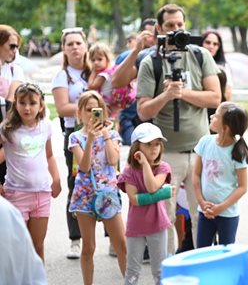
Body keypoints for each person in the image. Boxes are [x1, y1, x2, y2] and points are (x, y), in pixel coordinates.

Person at [136, 4, 221, 253]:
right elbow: (143, 111)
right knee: (165, 217)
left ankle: (203, 268)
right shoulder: (151, 61)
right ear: (159, 29)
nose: (176, 31)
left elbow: (215, 98)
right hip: (165, 153)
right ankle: (167, 271)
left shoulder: (200, 55)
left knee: (203, 214)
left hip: (201, 150)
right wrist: (166, 95)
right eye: (170, 26)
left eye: (180, 25)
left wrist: (183, 93)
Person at [68, 90, 126, 284]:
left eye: (97, 109)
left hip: (108, 194)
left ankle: (130, 281)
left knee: (122, 244)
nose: (93, 113)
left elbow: (113, 160)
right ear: (80, 112)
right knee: (88, 247)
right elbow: (83, 167)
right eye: (88, 109)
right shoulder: (75, 137)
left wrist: (105, 135)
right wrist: (91, 138)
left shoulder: (112, 134)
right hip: (85, 196)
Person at [0, 82, 62, 261]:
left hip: (41, 194)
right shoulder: (7, 129)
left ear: (41, 104)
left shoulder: (46, 126)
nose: (27, 108)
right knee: (18, 246)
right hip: (16, 194)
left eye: (32, 103)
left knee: (37, 246)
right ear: (16, 104)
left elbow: (49, 156)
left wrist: (56, 179)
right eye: (22, 103)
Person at [51, 27, 90, 259]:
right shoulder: (62, 76)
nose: (75, 47)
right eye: (70, 44)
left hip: (101, 135)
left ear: (86, 45)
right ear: (64, 49)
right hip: (74, 135)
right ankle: (75, 239)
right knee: (76, 184)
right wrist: (91, 107)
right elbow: (63, 107)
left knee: (105, 182)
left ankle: (111, 237)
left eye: (78, 43)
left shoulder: (95, 71)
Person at [118, 123, 172, 285]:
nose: (154, 148)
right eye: (148, 144)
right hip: (136, 227)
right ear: (137, 147)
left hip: (158, 224)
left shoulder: (163, 167)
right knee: (133, 271)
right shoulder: (129, 171)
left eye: (157, 144)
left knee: (159, 271)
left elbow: (152, 186)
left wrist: (146, 165)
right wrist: (163, 193)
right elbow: (134, 199)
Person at [193, 101, 248, 247]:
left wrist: (221, 207)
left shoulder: (237, 152)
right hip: (205, 211)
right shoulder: (205, 142)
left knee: (225, 253)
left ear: (225, 127)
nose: (212, 116)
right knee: (202, 252)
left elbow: (242, 187)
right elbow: (196, 175)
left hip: (228, 215)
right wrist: (201, 202)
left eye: (217, 116)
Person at [112, 18, 157, 146]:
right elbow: (116, 85)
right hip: (130, 117)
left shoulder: (164, 58)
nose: (151, 38)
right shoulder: (127, 57)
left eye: (155, 34)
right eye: (147, 34)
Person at [0, 195, 47, 284]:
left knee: (37, 247)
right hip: (17, 194)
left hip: (39, 194)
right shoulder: (6, 211)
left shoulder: (6, 212)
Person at [0, 25, 25, 184]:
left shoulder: (15, 70)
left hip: (6, 125)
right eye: (12, 46)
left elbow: (12, 99)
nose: (15, 50)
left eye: (17, 46)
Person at [88, 42, 135, 119]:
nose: (96, 63)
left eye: (99, 59)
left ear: (107, 59)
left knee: (98, 121)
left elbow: (91, 86)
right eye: (93, 60)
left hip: (104, 104)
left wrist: (93, 72)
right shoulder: (112, 71)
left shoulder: (103, 75)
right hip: (112, 104)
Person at [200, 29, 234, 100]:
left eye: (215, 44)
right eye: (208, 42)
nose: (211, 46)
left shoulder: (224, 67)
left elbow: (228, 93)